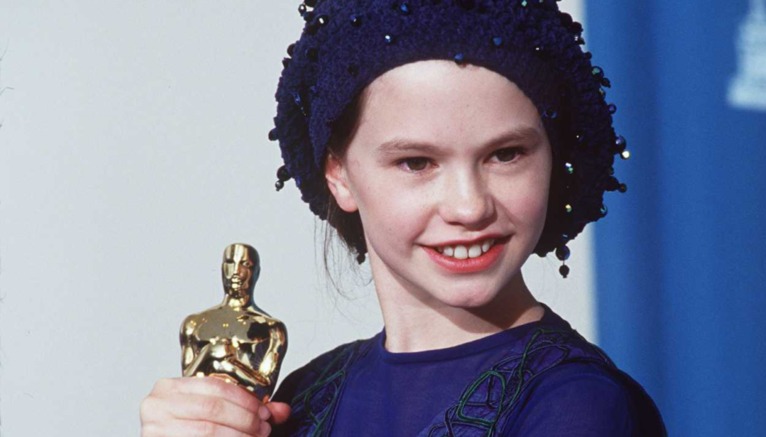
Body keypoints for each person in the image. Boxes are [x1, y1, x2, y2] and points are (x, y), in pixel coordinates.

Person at [141, 1, 665, 435]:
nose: (469, 206)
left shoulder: (578, 406)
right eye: (417, 162)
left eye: (506, 154)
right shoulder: (303, 398)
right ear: (339, 173)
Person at [179, 243, 288, 403]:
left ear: (256, 272)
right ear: (222, 268)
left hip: (247, 416)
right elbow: (187, 384)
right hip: (199, 412)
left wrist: (226, 362)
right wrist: (210, 353)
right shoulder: (194, 323)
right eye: (230, 263)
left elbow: (263, 388)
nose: (236, 272)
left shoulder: (271, 329)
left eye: (245, 264)